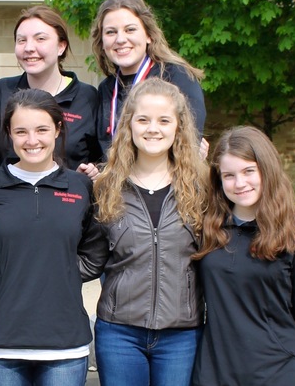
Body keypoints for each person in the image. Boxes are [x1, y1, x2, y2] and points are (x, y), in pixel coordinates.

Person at [0, 88, 107, 385]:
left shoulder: (79, 186)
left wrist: (61, 271)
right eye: (21, 131)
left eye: (42, 129)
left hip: (64, 343)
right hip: (1, 342)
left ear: (58, 129)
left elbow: (95, 251)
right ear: (8, 133)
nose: (32, 141)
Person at [89, 78, 208, 386]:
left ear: (179, 127)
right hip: (119, 333)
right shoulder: (106, 187)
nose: (153, 128)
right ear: (129, 125)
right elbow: (89, 255)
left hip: (182, 334)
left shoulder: (202, 188)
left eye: (163, 120)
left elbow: (239, 225)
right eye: (143, 119)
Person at [191, 126, 295, 386]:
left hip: (280, 372)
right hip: (216, 372)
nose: (239, 183)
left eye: (248, 171)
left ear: (267, 169)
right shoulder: (207, 228)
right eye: (229, 175)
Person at [0, 5, 102, 174]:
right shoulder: (3, 91)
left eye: (40, 39)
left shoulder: (87, 97)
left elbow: (101, 159)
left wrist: (94, 172)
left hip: (69, 197)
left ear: (61, 46)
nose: (29, 48)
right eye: (21, 40)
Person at [91, 0, 207, 153]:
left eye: (130, 30)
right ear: (102, 41)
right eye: (111, 32)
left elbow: (189, 144)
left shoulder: (177, 77)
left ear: (149, 36)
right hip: (117, 177)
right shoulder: (106, 88)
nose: (120, 39)